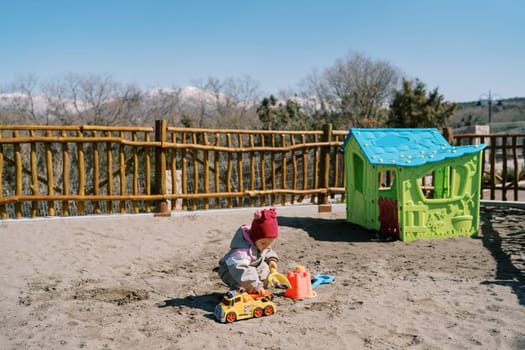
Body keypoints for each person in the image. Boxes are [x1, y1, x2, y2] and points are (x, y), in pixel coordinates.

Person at [217, 208, 279, 295]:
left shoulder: (261, 242)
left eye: (269, 243)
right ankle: (239, 289)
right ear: (255, 237)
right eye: (263, 243)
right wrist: (255, 285)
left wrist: (271, 259)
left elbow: (268, 250)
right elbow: (241, 269)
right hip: (232, 270)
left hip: (252, 265)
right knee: (248, 280)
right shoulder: (242, 250)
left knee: (265, 268)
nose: (266, 246)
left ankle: (256, 285)